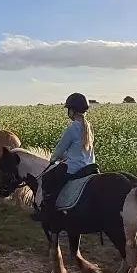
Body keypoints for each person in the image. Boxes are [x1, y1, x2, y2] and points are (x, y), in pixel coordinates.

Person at [34, 92, 99, 225]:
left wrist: (53, 159)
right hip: (89, 165)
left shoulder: (73, 127)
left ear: (72, 111)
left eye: (68, 109)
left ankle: (48, 212)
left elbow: (60, 149)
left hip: (74, 167)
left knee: (47, 179)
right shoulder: (88, 126)